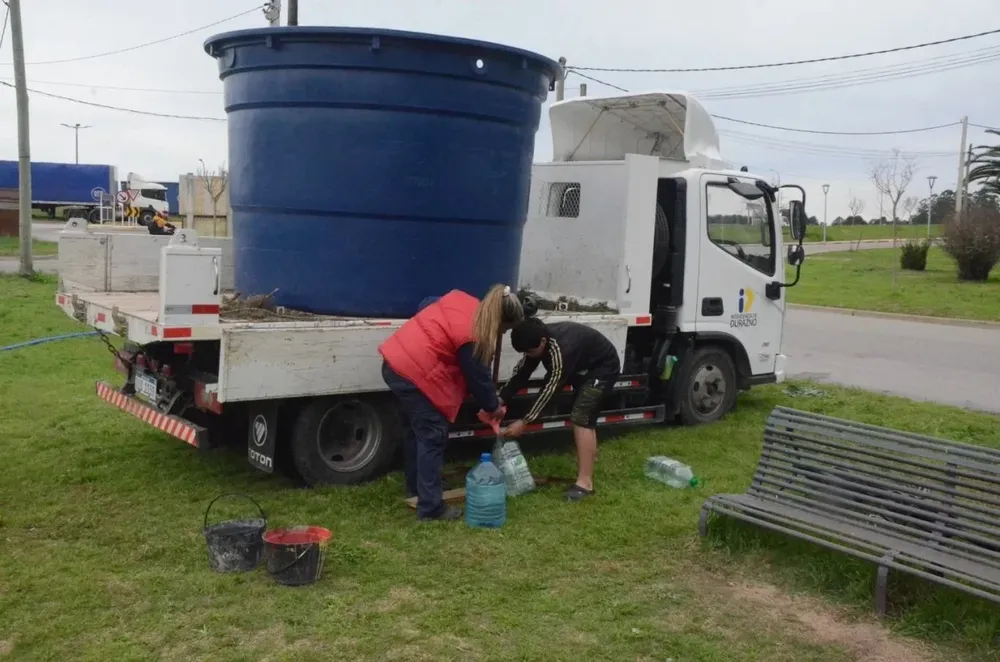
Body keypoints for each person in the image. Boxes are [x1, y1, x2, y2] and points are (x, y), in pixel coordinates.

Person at [379, 284, 524, 521]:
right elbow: (477, 376)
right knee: (432, 436)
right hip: (415, 373)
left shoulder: (463, 300)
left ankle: (418, 487)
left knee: (415, 432)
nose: (503, 334)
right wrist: (492, 406)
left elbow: (427, 302)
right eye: (505, 329)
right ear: (499, 318)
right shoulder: (474, 334)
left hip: (396, 363)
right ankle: (431, 508)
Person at [499, 318, 621, 502]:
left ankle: (585, 483)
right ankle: (589, 457)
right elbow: (521, 373)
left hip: (603, 368)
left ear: (542, 342)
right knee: (584, 416)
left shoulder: (562, 350)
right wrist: (500, 399)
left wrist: (524, 421)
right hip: (583, 367)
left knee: (581, 416)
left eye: (530, 352)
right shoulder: (536, 341)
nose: (528, 355)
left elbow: (550, 389)